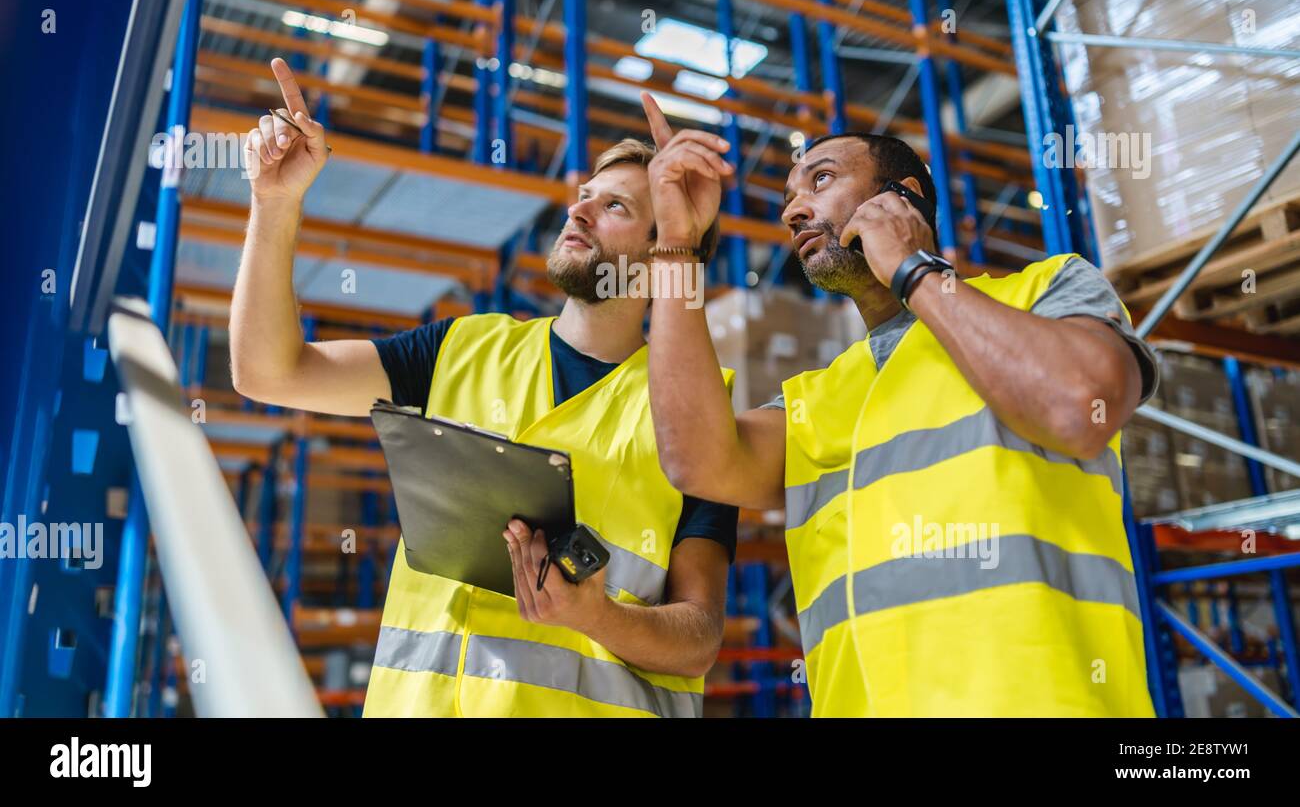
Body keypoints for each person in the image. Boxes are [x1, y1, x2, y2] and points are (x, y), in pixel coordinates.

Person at [229, 59, 739, 717]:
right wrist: (274, 204)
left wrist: (597, 616)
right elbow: (267, 371)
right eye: (584, 192)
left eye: (613, 206)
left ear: (663, 247)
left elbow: (698, 640)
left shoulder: (694, 413)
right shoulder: (461, 349)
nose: (579, 208)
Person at [639, 91, 1158, 717]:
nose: (796, 210)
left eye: (821, 179)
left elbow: (1080, 407)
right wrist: (676, 245)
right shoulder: (818, 397)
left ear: (903, 195)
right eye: (787, 203)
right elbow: (695, 460)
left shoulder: (1045, 291)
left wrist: (914, 269)